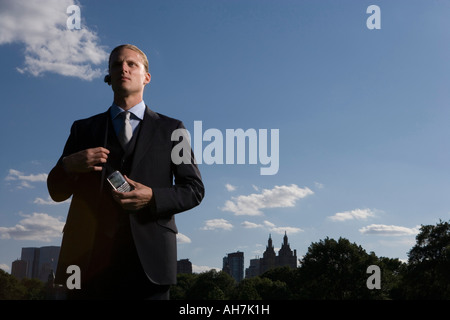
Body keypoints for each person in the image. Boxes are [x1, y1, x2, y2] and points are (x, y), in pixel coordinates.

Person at [47, 44, 204, 299]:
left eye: (132, 64)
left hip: (149, 265)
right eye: (116, 64)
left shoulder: (173, 129)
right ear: (109, 77)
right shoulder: (82, 129)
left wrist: (153, 197)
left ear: (146, 77)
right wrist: (68, 166)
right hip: (87, 264)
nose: (124, 68)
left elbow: (194, 190)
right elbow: (56, 191)